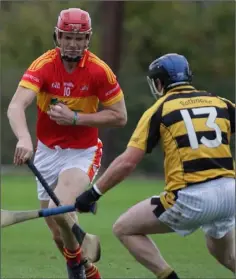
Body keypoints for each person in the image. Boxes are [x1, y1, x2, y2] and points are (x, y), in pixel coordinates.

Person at [74, 53, 235, 278]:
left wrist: (93, 193)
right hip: (230, 194)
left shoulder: (160, 109)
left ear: (159, 82)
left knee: (124, 228)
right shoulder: (220, 102)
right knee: (225, 255)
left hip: (191, 197)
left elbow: (127, 162)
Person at [7, 7, 127, 279]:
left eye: (80, 38)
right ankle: (88, 269)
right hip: (47, 153)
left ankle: (74, 270)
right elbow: (16, 106)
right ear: (57, 37)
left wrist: (76, 118)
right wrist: (24, 138)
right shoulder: (43, 66)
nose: (73, 43)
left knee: (58, 207)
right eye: (67, 37)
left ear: (88, 40)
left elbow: (120, 117)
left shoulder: (99, 71)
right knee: (59, 233)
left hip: (82, 152)